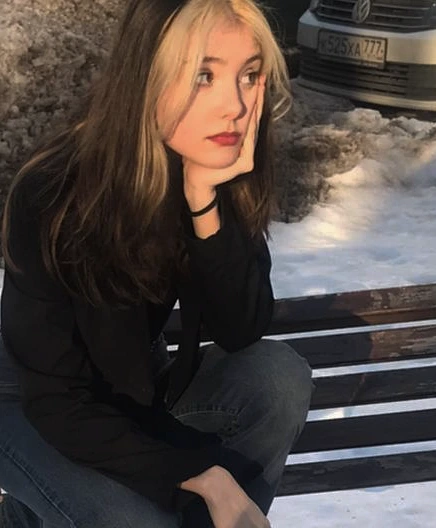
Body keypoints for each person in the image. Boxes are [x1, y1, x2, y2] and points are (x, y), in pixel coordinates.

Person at [0, 0, 314, 526]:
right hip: (32, 406)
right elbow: (57, 399)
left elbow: (242, 329)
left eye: (249, 76)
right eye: (205, 76)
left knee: (277, 380)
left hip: (133, 396)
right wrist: (200, 474)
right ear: (146, 78)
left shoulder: (211, 166)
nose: (235, 106)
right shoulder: (57, 193)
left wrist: (204, 203)